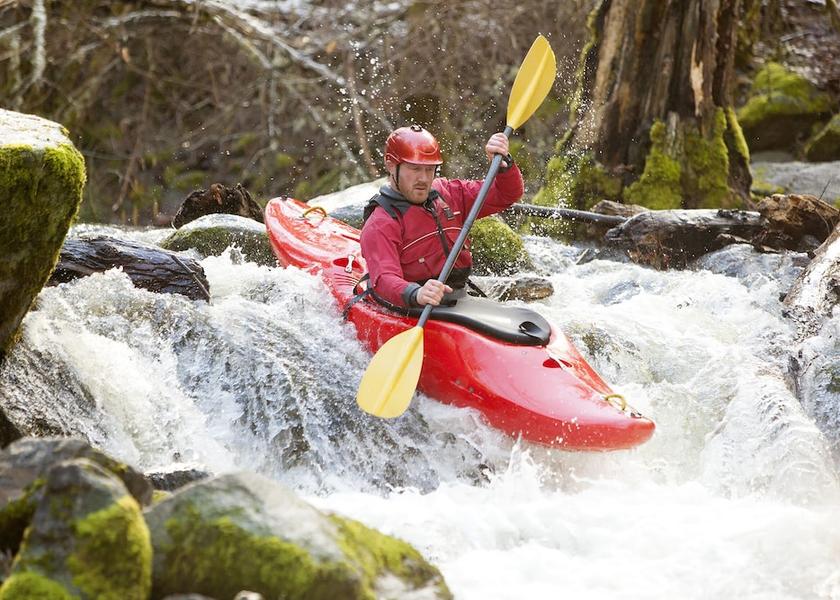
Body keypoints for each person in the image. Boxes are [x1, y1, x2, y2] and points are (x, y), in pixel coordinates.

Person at [359, 125, 524, 309]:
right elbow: (383, 279)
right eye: (415, 169)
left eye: (429, 170)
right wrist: (416, 293)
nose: (423, 179)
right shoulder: (381, 223)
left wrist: (503, 166)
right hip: (414, 307)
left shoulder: (449, 194)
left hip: (459, 298)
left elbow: (506, 195)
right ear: (391, 165)